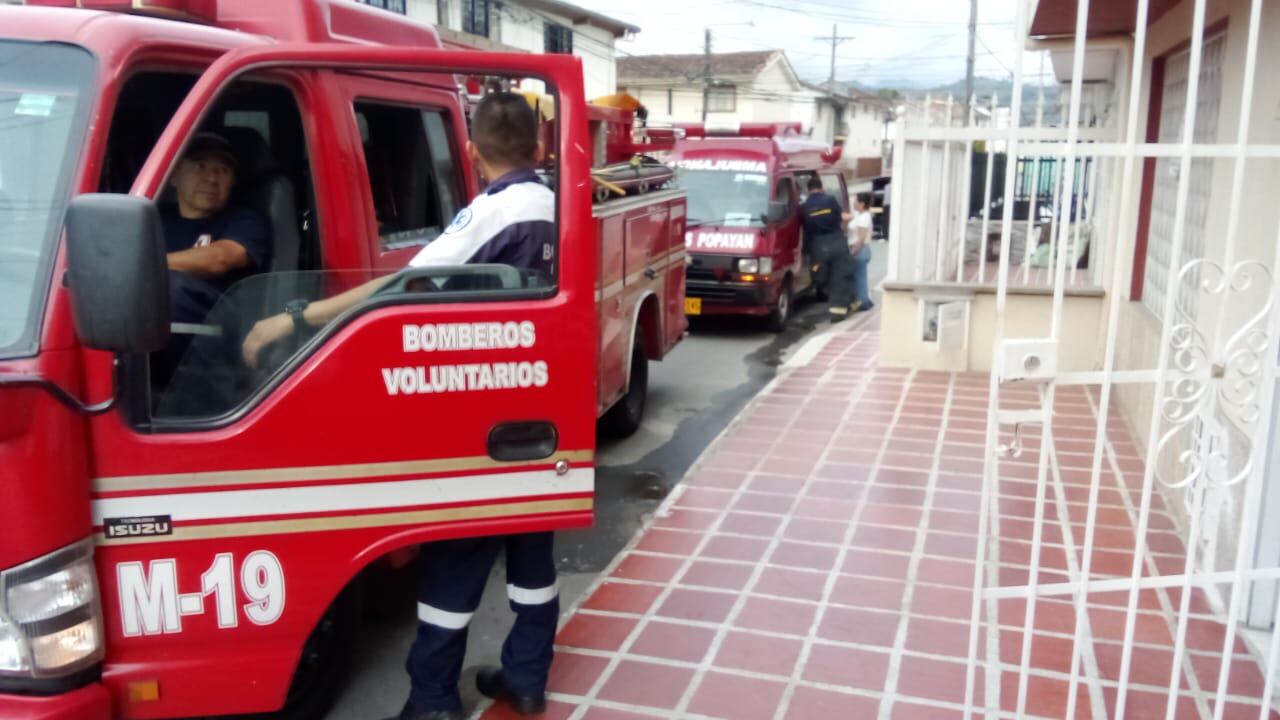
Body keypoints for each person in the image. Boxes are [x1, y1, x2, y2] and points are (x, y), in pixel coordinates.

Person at [241, 92, 558, 720]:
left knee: (456, 557)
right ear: (540, 148)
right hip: (544, 416)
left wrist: (299, 315)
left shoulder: (494, 211)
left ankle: (432, 700)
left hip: (485, 421)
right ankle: (526, 676)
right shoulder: (558, 202)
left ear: (470, 151)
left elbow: (404, 282)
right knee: (532, 557)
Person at [154, 132, 271, 387]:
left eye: (223, 170)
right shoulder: (151, 220)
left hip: (215, 343)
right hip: (145, 339)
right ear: (174, 176)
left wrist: (144, 266)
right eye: (200, 166)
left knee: (173, 287)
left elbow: (222, 258)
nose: (211, 178)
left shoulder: (245, 220)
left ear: (232, 182)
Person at [800, 175, 855, 321]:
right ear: (821, 187)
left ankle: (837, 301)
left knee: (820, 275)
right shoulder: (830, 200)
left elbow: (805, 228)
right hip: (837, 242)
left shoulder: (805, 207)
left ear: (808, 190)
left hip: (818, 247)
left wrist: (806, 249)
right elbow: (839, 217)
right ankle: (840, 309)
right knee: (840, 275)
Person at [848, 192, 875, 311]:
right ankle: (865, 301)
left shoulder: (864, 217)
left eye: (855, 201)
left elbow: (861, 238)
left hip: (860, 250)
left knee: (860, 278)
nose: (853, 203)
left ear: (862, 204)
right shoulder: (860, 215)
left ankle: (863, 303)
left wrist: (853, 251)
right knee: (859, 277)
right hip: (859, 249)